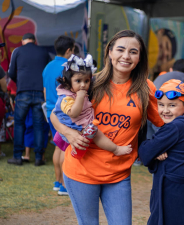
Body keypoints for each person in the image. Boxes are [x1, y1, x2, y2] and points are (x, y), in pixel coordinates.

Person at [50, 30, 164, 224]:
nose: (126, 56)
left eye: (133, 51)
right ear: (110, 52)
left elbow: (164, 121)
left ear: (139, 58)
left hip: (118, 174)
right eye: (120, 49)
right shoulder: (89, 83)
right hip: (81, 170)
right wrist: (69, 133)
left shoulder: (146, 89)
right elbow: (55, 114)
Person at [53, 54, 132, 157]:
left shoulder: (79, 91)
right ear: (67, 81)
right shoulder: (66, 98)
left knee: (80, 146)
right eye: (78, 81)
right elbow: (74, 113)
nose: (83, 85)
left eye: (86, 81)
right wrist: (80, 97)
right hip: (77, 125)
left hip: (81, 124)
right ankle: (116, 149)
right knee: (98, 135)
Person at [139, 79, 184, 225]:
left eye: (172, 105)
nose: (165, 110)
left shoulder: (175, 127)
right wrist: (155, 151)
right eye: (161, 105)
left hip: (171, 193)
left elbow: (144, 154)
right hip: (179, 190)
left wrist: (150, 148)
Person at [8, 33, 51, 166]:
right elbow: (48, 72)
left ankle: (17, 157)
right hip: (39, 93)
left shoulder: (18, 51)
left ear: (22, 41)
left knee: (20, 124)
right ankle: (39, 158)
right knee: (39, 125)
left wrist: (20, 82)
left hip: (23, 92)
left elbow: (11, 72)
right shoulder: (44, 52)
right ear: (34, 41)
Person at [42, 35, 75, 195]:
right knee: (65, 148)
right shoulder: (68, 67)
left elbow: (45, 91)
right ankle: (63, 186)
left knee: (58, 146)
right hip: (64, 114)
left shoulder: (48, 66)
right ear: (69, 50)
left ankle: (57, 182)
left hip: (50, 112)